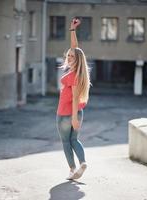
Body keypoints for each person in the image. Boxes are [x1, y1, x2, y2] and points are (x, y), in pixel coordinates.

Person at [56, 18, 91, 180]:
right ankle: (82, 163)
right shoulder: (80, 73)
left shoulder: (72, 76)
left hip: (66, 114)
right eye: (68, 56)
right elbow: (75, 49)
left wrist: (74, 117)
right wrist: (72, 30)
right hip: (77, 112)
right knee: (74, 139)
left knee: (66, 142)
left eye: (71, 57)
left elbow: (76, 97)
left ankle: (72, 169)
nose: (68, 58)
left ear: (77, 60)